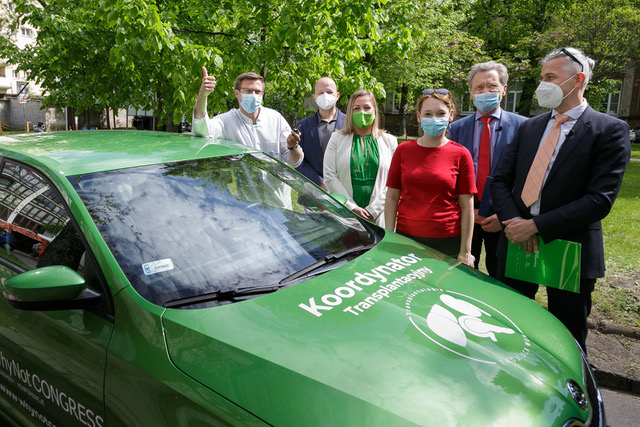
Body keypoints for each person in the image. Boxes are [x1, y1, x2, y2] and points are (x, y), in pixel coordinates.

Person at [491, 47, 631, 352]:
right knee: (506, 324)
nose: (543, 84)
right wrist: (515, 222)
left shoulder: (609, 131)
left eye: (550, 77)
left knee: (567, 335)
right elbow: (500, 181)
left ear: (577, 79)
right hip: (516, 243)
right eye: (542, 77)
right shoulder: (531, 127)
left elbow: (599, 200)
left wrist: (537, 226)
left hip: (570, 249)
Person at [449, 62, 527, 277]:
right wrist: (466, 210)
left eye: (491, 86)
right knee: (462, 275)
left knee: (501, 277)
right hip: (465, 215)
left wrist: (504, 216)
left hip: (505, 217)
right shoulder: (455, 129)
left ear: (504, 89)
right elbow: (450, 174)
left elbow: (526, 177)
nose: (485, 92)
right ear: (471, 94)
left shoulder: (524, 127)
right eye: (479, 88)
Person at [385, 90, 476, 266]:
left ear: (451, 115)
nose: (434, 118)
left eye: (441, 113)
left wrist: (465, 251)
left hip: (448, 241)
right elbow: (391, 197)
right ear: (419, 117)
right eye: (428, 114)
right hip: (406, 238)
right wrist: (390, 236)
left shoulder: (461, 154)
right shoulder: (403, 151)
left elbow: (467, 206)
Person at [192, 67, 303, 168]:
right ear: (237, 93)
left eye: (257, 91)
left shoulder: (275, 118)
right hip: (246, 189)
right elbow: (202, 130)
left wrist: (293, 147)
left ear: (262, 94)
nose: (253, 95)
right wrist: (203, 95)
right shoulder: (226, 121)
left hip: (276, 189)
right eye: (248, 91)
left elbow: (295, 162)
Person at [323, 90, 397, 227]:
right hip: (345, 214)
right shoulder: (336, 139)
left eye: (367, 107)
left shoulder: (390, 141)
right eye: (356, 108)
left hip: (378, 215)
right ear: (350, 113)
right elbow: (329, 176)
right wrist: (351, 207)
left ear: (375, 111)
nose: (362, 112)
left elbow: (394, 182)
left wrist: (373, 210)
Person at [290, 77, 346, 190]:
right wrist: (319, 182)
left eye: (329, 92)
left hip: (346, 191)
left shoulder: (350, 124)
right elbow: (299, 161)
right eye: (321, 93)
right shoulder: (303, 126)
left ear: (337, 96)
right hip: (313, 193)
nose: (325, 96)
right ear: (314, 97)